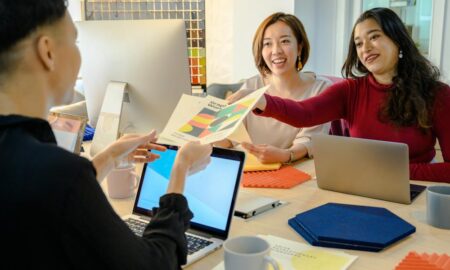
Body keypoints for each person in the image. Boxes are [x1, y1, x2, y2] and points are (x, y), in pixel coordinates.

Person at [0, 0, 212, 269]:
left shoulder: (37, 170)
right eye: (75, 43)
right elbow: (153, 264)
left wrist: (110, 156)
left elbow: (50, 197)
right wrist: (179, 170)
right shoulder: (58, 173)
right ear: (47, 52)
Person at [229, 8, 450, 183]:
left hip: (416, 189)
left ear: (398, 41)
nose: (366, 48)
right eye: (359, 43)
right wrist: (263, 100)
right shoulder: (350, 90)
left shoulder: (438, 94)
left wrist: (400, 172)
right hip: (360, 185)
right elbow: (304, 113)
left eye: (374, 37)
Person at [219, 12, 331, 164]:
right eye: (267, 44)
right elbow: (230, 139)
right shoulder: (251, 86)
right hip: (253, 172)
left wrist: (285, 155)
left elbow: (309, 142)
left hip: (296, 169)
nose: (276, 50)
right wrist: (206, 136)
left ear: (299, 47)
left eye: (284, 41)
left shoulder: (320, 89)